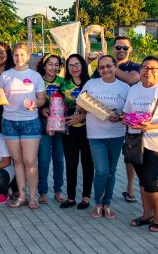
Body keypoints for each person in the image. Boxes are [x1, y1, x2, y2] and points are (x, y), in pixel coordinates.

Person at [124, 56, 158, 233]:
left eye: (153, 69)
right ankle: (146, 213)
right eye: (145, 68)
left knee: (150, 179)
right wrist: (124, 119)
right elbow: (127, 113)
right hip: (135, 140)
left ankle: (157, 216)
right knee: (143, 179)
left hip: (157, 142)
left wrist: (152, 126)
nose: (149, 72)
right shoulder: (133, 89)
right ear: (140, 70)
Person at [0, 43, 46, 208]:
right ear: (13, 57)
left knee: (30, 161)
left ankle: (33, 197)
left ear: (28, 56)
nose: (19, 58)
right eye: (16, 55)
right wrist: (0, 95)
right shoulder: (5, 76)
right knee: (17, 161)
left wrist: (35, 103)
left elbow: (41, 99)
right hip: (9, 121)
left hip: (30, 121)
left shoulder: (35, 76)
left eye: (22, 55)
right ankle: (22, 195)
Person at [92, 36, 140, 203]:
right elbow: (90, 85)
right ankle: (100, 196)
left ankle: (129, 187)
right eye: (118, 47)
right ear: (113, 49)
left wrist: (109, 66)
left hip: (128, 119)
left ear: (130, 50)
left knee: (130, 156)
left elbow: (130, 79)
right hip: (104, 123)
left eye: (125, 48)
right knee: (105, 166)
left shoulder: (134, 66)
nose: (121, 51)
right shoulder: (104, 65)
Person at [82, 54, 130, 219]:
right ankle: (97, 202)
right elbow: (81, 105)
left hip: (116, 134)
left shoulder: (125, 88)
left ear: (116, 66)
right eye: (101, 67)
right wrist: (96, 110)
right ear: (98, 69)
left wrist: (120, 116)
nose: (105, 70)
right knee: (101, 170)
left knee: (111, 170)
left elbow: (129, 111)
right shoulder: (91, 83)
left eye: (109, 66)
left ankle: (107, 203)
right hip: (96, 135)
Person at [59, 54, 94, 210]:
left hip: (89, 128)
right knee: (71, 163)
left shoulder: (92, 83)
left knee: (87, 163)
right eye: (70, 65)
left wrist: (81, 117)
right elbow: (57, 105)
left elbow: (97, 108)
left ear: (83, 65)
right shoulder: (64, 85)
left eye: (77, 64)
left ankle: (86, 197)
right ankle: (71, 197)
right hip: (69, 128)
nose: (74, 68)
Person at [37, 53, 65, 204]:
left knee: (59, 159)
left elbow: (70, 101)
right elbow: (32, 102)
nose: (53, 67)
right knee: (44, 159)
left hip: (60, 127)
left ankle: (58, 190)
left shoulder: (63, 82)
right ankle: (42, 191)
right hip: (43, 125)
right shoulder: (37, 80)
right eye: (50, 64)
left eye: (56, 65)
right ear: (44, 65)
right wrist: (41, 110)